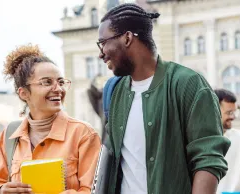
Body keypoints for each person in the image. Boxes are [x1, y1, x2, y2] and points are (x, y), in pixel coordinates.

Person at [97, 4, 230, 194]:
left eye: (103, 42)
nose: (101, 53)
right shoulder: (115, 91)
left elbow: (208, 159)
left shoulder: (188, 84)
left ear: (127, 38)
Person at [0, 44, 101, 194]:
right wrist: (1, 190)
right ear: (24, 93)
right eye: (47, 82)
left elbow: (95, 189)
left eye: (60, 82)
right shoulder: (9, 135)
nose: (58, 89)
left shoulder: (84, 134)